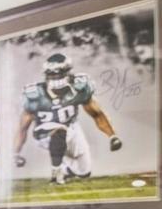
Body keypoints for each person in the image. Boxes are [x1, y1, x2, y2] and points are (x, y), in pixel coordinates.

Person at [12, 51, 122, 185]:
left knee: (84, 172)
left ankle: (66, 169)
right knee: (59, 131)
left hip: (72, 127)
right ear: (46, 75)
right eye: (52, 74)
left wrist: (112, 136)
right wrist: (15, 153)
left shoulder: (79, 89)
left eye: (59, 74)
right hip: (43, 132)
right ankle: (56, 172)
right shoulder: (35, 95)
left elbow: (96, 114)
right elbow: (22, 128)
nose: (55, 78)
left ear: (68, 73)